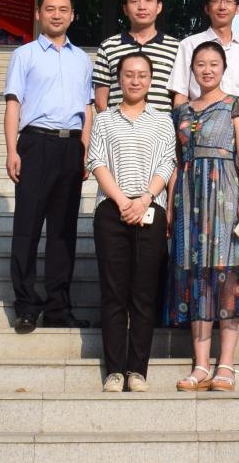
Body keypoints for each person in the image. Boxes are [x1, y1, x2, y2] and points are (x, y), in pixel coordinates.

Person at [166, 41, 239, 391]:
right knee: (196, 277)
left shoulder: (237, 105)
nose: (207, 70)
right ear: (192, 69)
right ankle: (201, 364)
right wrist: (171, 204)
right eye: (200, 64)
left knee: (227, 275)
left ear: (224, 68)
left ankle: (227, 364)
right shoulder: (181, 111)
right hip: (189, 196)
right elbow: (176, 161)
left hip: (226, 195)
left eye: (213, 64)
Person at [2, 0, 94, 332]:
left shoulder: (82, 59)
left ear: (73, 16)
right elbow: (14, 103)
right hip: (35, 144)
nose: (57, 14)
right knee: (27, 228)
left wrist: (85, 149)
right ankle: (26, 305)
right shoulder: (24, 55)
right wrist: (11, 150)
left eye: (63, 9)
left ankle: (58, 307)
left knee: (63, 231)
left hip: (71, 148)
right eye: (50, 8)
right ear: (39, 13)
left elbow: (87, 108)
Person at [86, 50, 177, 391]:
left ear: (151, 80)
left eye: (142, 75)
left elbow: (167, 162)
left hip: (150, 208)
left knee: (143, 293)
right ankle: (114, 370)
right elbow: (96, 161)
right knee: (114, 293)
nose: (135, 80)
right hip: (112, 209)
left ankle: (137, 370)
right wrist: (124, 201)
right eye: (128, 75)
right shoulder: (104, 119)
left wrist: (145, 199)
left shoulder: (162, 120)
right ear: (118, 79)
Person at [92, 0, 180, 111]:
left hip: (162, 124)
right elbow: (100, 101)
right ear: (125, 9)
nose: (142, 7)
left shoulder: (176, 48)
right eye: (134, 1)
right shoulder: (108, 46)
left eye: (148, 0)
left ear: (159, 7)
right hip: (117, 123)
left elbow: (180, 97)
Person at [169, 0, 239, 103]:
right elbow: (181, 94)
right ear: (207, 8)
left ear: (237, 9)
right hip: (200, 113)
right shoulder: (189, 44)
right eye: (216, 1)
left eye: (228, 1)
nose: (222, 7)